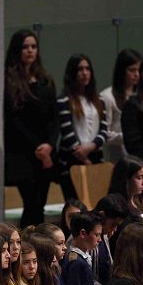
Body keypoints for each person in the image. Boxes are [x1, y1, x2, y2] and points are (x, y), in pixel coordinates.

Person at [4, 29, 58, 227]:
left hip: (46, 152)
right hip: (23, 153)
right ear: (17, 50)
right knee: (31, 202)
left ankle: (38, 242)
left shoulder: (45, 79)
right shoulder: (9, 80)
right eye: (25, 47)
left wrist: (49, 145)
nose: (30, 51)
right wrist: (38, 148)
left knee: (40, 205)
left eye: (33, 47)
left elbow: (54, 117)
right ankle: (26, 242)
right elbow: (14, 120)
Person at [56, 54, 108, 199]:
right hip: (72, 160)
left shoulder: (99, 100)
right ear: (72, 72)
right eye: (80, 69)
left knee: (96, 204)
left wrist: (91, 146)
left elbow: (104, 129)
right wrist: (83, 157)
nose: (85, 73)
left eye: (87, 69)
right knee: (75, 204)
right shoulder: (64, 100)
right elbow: (66, 132)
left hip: (95, 156)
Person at [100, 49, 142, 161]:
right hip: (116, 157)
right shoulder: (107, 96)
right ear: (122, 71)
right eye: (132, 70)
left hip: (139, 155)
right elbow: (105, 133)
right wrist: (129, 136)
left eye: (139, 70)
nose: (136, 74)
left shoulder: (141, 95)